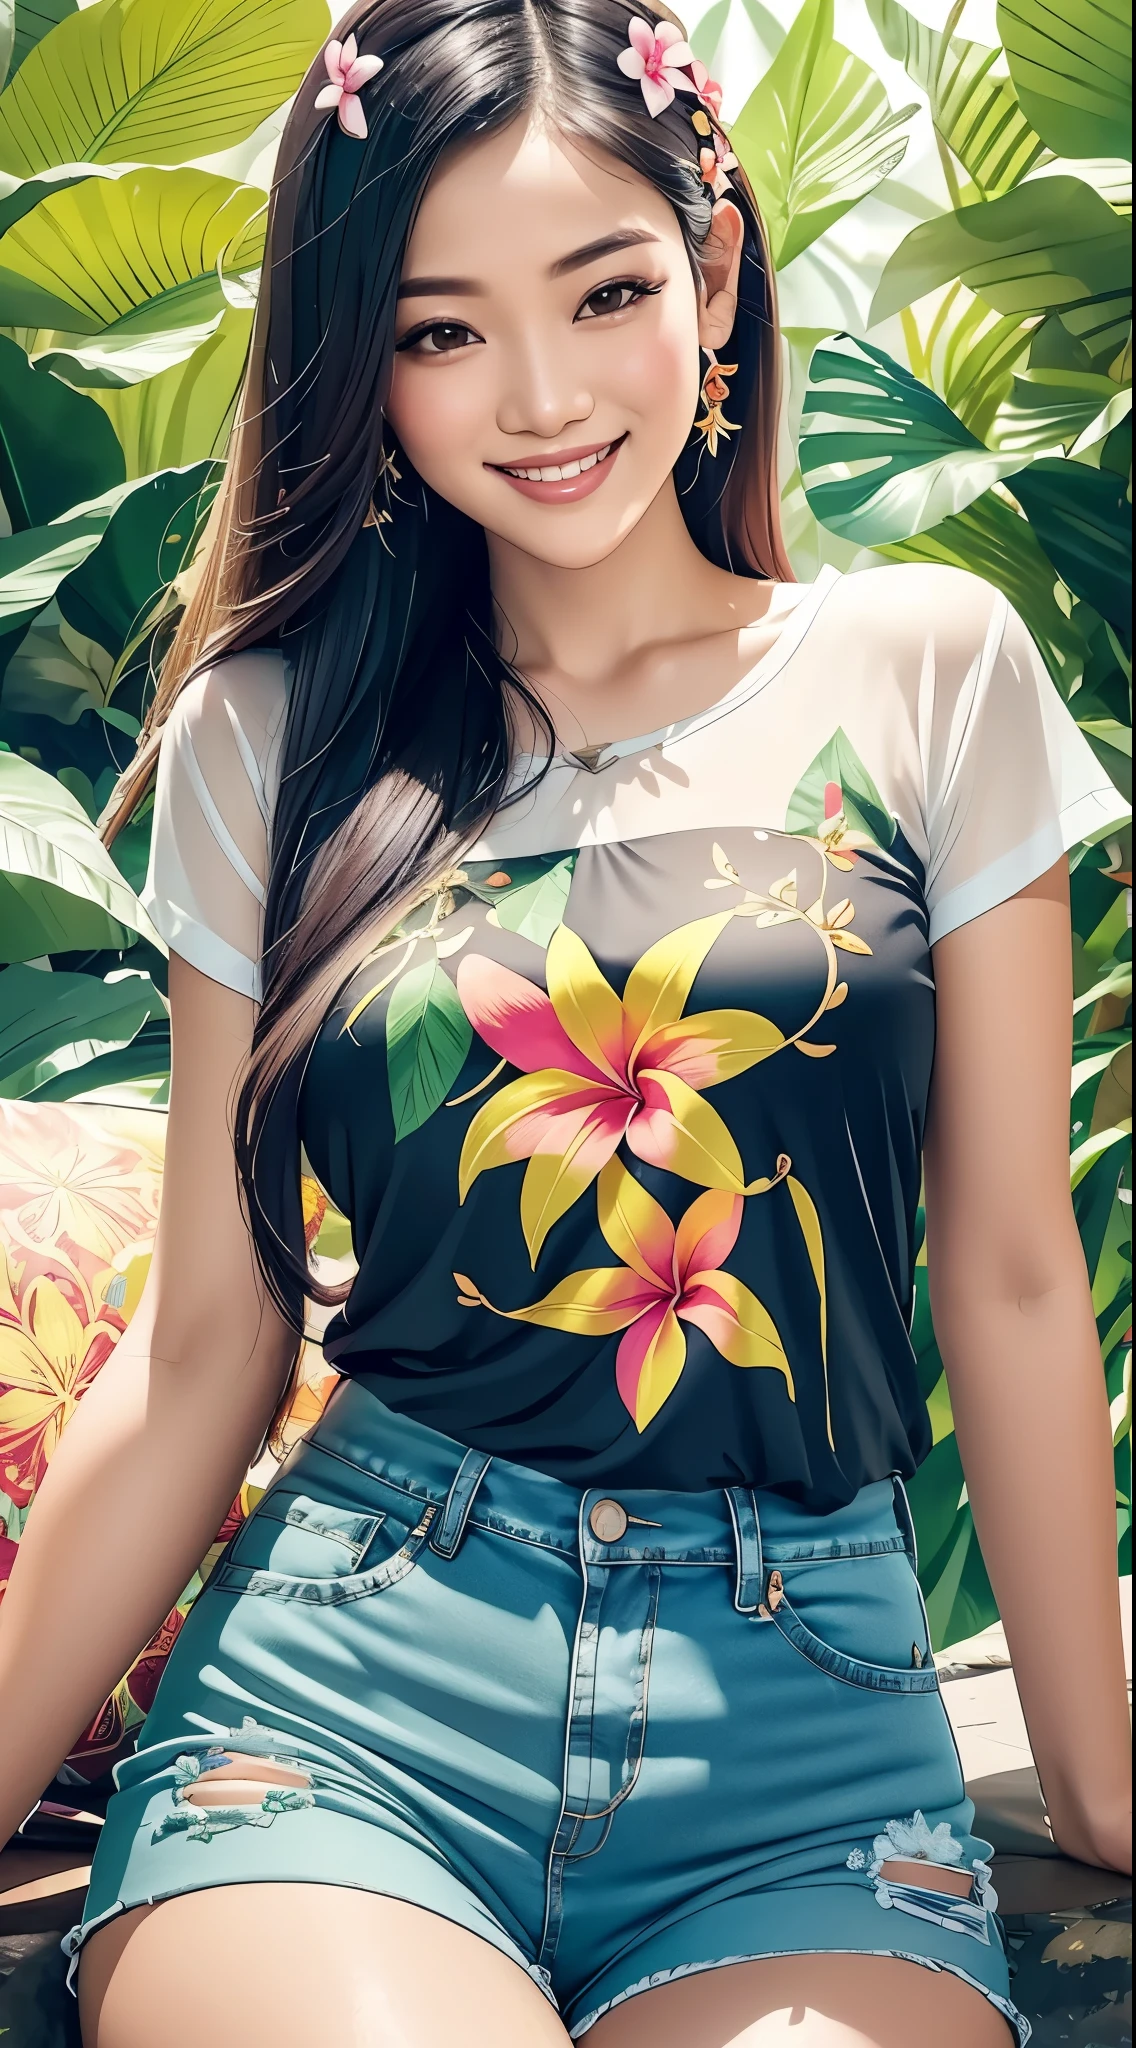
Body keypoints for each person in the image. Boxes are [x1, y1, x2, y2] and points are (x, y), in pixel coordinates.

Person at [0, 4, 1129, 2043]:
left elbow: (1015, 1276)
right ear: (364, 366)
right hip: (350, 1707)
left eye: (601, 290)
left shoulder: (923, 670)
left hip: (807, 1750)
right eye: (439, 331)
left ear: (709, 268)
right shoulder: (275, 738)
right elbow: (205, 1348)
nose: (536, 395)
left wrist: (1101, 1774)